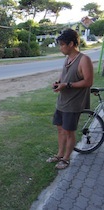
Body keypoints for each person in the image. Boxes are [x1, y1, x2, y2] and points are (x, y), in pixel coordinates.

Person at [47, 28, 94, 170]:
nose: (60, 47)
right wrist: (58, 83)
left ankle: (66, 159)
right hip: (62, 102)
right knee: (60, 130)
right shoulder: (67, 59)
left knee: (69, 132)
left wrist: (66, 85)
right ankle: (60, 154)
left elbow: (88, 82)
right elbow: (64, 76)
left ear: (71, 44)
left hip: (73, 104)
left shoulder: (84, 59)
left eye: (62, 44)